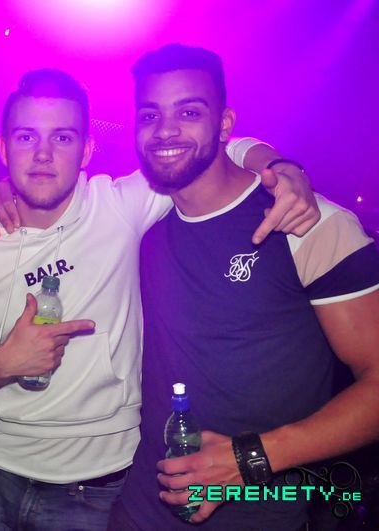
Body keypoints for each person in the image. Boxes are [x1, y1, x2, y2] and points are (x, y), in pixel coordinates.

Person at [0, 69, 320, 530]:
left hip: (94, 484)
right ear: (4, 148)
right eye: (26, 137)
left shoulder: (120, 205)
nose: (43, 154)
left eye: (63, 138)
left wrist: (280, 168)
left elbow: (205, 151)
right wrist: (1, 365)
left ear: (87, 150)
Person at [106, 43, 379, 530]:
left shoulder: (305, 222)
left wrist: (250, 458)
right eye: (150, 115)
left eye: (189, 112)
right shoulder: (144, 226)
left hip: (261, 515)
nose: (165, 130)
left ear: (225, 124)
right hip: (140, 510)